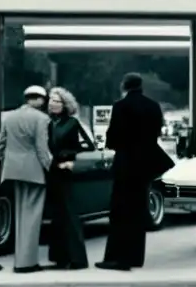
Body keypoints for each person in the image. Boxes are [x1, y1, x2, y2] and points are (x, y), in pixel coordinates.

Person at [97, 73, 164, 271]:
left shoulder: (121, 106)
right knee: (137, 210)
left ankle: (118, 258)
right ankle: (136, 257)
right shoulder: (153, 106)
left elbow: (112, 139)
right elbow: (157, 133)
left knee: (120, 212)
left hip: (126, 165)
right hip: (145, 166)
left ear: (124, 86)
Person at [0, 85, 52, 273]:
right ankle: (27, 263)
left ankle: (20, 259)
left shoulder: (9, 116)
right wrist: (50, 167)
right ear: (39, 99)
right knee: (32, 218)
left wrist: (9, 161)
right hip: (34, 170)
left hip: (13, 170)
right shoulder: (42, 119)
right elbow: (42, 149)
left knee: (20, 216)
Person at [46, 87, 89, 270]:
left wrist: (70, 160)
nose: (53, 103)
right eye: (51, 100)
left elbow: (85, 146)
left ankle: (78, 259)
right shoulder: (48, 123)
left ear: (65, 104)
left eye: (57, 101)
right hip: (51, 172)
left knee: (70, 215)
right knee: (57, 216)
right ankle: (59, 258)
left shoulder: (72, 123)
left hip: (65, 171)